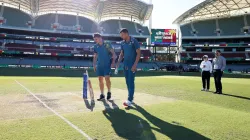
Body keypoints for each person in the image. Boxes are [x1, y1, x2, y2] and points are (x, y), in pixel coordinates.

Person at [116, 28, 141, 106]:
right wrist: (118, 62)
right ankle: (131, 98)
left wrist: (135, 64)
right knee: (127, 82)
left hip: (132, 65)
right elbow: (121, 54)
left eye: (122, 35)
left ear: (126, 33)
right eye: (121, 35)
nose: (122, 37)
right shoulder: (122, 43)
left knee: (131, 81)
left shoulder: (134, 41)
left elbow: (139, 53)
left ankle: (129, 99)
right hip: (125, 65)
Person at [93, 33, 116, 100]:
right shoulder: (95, 46)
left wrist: (113, 62)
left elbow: (114, 54)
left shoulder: (107, 44)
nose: (95, 41)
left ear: (100, 38)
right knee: (100, 79)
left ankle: (109, 92)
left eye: (96, 39)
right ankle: (102, 94)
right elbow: (95, 56)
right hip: (99, 65)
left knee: (107, 79)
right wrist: (94, 65)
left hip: (107, 65)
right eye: (94, 39)